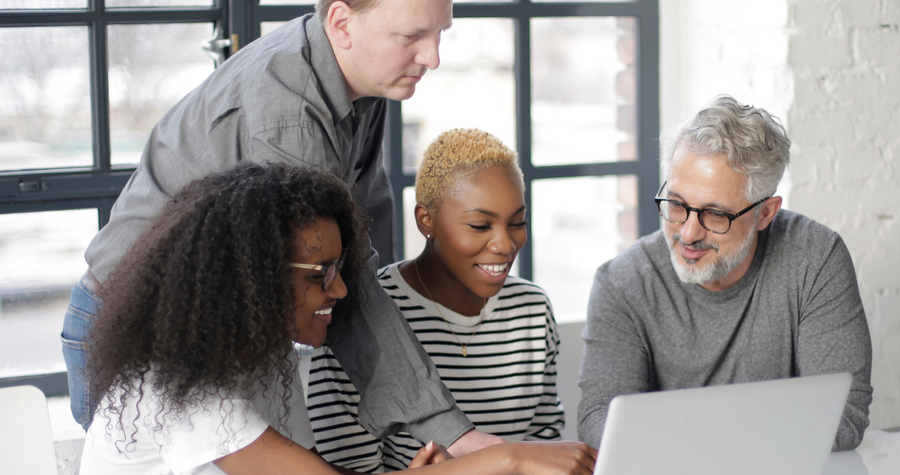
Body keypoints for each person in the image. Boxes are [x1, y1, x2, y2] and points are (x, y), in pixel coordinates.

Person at [62, 0, 503, 454]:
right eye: (412, 37)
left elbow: (367, 222)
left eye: (440, 33)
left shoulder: (365, 79)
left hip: (223, 332)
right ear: (342, 23)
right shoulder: (289, 111)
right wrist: (452, 434)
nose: (433, 57)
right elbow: (343, 273)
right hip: (141, 332)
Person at [79, 163, 596, 475]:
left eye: (340, 268)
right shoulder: (182, 388)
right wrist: (505, 460)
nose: (342, 289)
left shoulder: (264, 360)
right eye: (320, 273)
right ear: (253, 278)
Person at [577, 95, 873, 451]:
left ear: (765, 213)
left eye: (715, 214)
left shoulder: (815, 259)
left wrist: (687, 440)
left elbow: (844, 416)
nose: (687, 233)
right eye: (676, 204)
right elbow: (600, 420)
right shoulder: (622, 282)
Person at [307, 129, 564, 472]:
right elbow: (343, 469)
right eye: (479, 225)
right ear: (426, 220)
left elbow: (544, 448)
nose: (505, 244)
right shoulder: (360, 319)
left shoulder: (532, 309)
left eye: (518, 222)